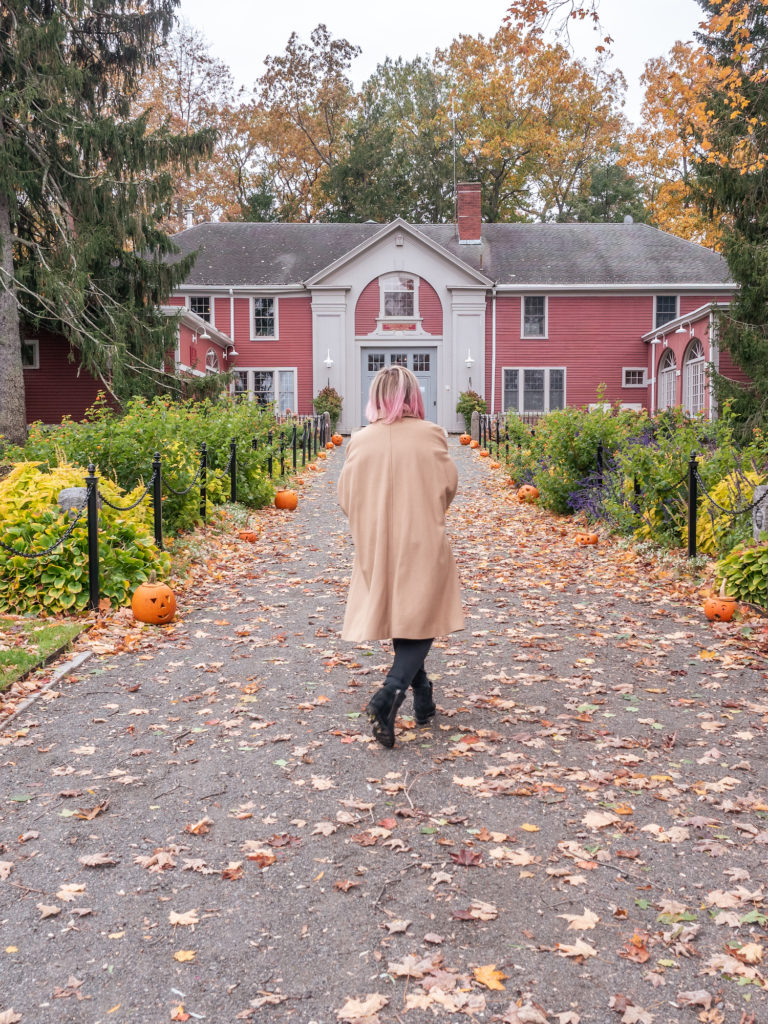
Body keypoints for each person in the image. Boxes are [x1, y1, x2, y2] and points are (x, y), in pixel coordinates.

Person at [337, 365, 464, 748]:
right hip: (422, 536)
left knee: (406, 614)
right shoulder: (432, 436)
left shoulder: (359, 441)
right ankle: (390, 693)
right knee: (421, 614)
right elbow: (448, 487)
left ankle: (423, 694)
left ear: (376, 397)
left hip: (376, 541)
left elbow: (345, 497)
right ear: (414, 397)